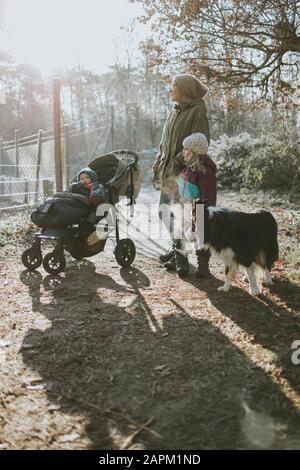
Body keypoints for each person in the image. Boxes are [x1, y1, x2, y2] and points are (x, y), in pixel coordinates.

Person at [152, 73, 210, 269]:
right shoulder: (174, 111)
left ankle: (184, 255)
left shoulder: (197, 111)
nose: (171, 90)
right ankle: (178, 247)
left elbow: (199, 142)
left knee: (188, 215)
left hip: (185, 174)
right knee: (164, 211)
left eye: (174, 86)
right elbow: (163, 145)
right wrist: (157, 167)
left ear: (184, 90)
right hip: (168, 172)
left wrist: (178, 162)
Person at [164, 132, 217, 276]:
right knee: (179, 233)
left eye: (186, 149)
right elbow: (179, 188)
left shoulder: (206, 173)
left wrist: (197, 209)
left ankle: (203, 267)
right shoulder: (187, 170)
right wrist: (176, 200)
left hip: (199, 211)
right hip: (184, 210)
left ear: (195, 152)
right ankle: (181, 263)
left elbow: (208, 197)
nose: (183, 152)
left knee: (201, 238)